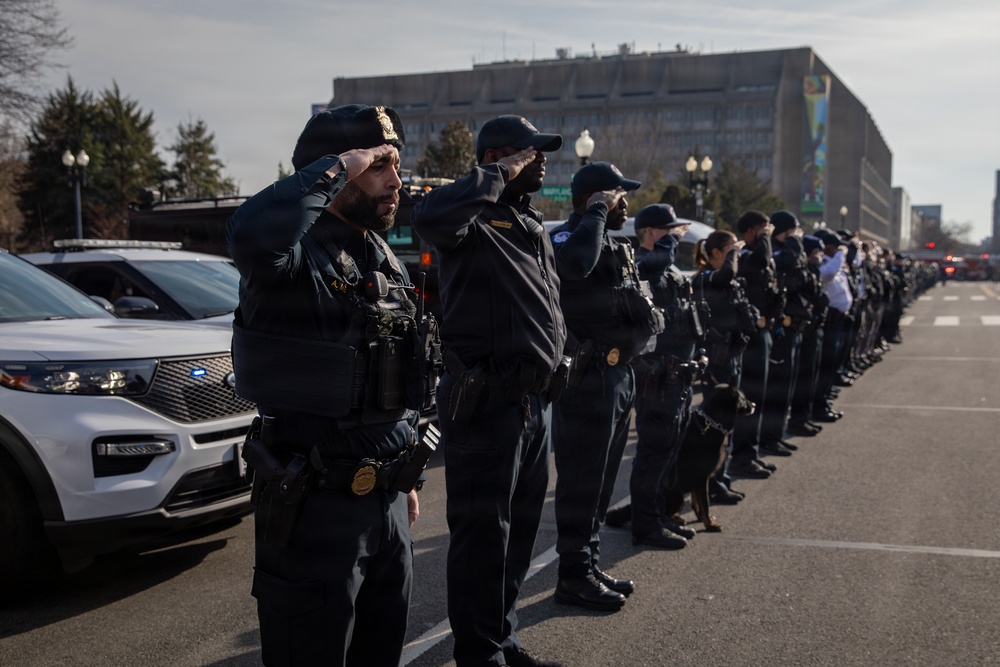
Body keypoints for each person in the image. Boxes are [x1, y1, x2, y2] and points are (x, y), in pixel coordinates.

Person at [228, 105, 433, 666]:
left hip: (388, 502)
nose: (395, 180)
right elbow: (250, 233)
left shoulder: (383, 254)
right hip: (316, 509)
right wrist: (341, 164)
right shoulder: (292, 259)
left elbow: (397, 369)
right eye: (378, 165)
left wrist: (405, 473)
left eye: (396, 162)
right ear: (335, 172)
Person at [410, 115, 566, 667]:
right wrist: (496, 173)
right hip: (486, 401)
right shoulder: (472, 217)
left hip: (532, 401)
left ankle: (502, 638)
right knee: (482, 539)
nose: (543, 161)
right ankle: (479, 654)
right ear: (498, 157)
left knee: (519, 533)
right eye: (531, 153)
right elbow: (428, 217)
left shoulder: (529, 224)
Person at [548, 162, 653, 612]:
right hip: (588, 379)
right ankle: (572, 575)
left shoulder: (614, 241)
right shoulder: (567, 238)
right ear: (593, 198)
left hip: (620, 374)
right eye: (616, 195)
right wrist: (593, 214)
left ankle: (587, 564)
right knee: (581, 480)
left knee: (604, 478)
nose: (625, 202)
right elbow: (574, 267)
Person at [626, 203, 703, 548]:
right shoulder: (641, 267)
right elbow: (648, 271)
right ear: (653, 233)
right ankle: (645, 525)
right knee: (652, 456)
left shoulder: (668, 269)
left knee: (668, 453)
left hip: (679, 378)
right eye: (668, 231)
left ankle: (657, 515)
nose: (676, 236)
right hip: (657, 380)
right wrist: (667, 243)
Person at [690, 229, 755, 504]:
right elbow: (724, 275)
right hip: (716, 362)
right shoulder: (706, 278)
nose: (736, 255)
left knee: (728, 425)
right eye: (730, 250)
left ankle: (721, 479)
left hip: (732, 357)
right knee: (716, 427)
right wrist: (735, 255)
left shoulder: (729, 281)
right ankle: (712, 484)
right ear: (715, 253)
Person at [729, 211, 779, 479]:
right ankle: (741, 457)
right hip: (749, 337)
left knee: (759, 397)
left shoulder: (757, 256)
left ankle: (751, 452)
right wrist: (764, 238)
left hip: (764, 333)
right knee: (749, 398)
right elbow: (761, 258)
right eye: (762, 230)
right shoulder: (745, 257)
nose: (767, 234)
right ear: (749, 231)